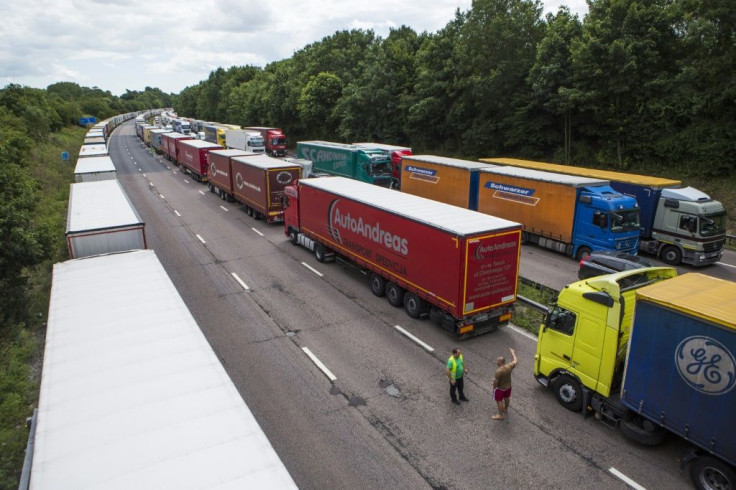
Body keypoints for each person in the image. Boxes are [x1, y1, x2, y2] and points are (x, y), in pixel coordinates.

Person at [492, 348, 517, 420]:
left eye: (497, 361)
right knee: (507, 398)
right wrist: (513, 353)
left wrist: (494, 389)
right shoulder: (509, 366)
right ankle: (506, 409)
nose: (496, 362)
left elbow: (496, 383)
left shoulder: (498, 371)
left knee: (499, 401)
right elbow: (515, 360)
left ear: (500, 362)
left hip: (500, 389)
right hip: (508, 387)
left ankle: (500, 415)